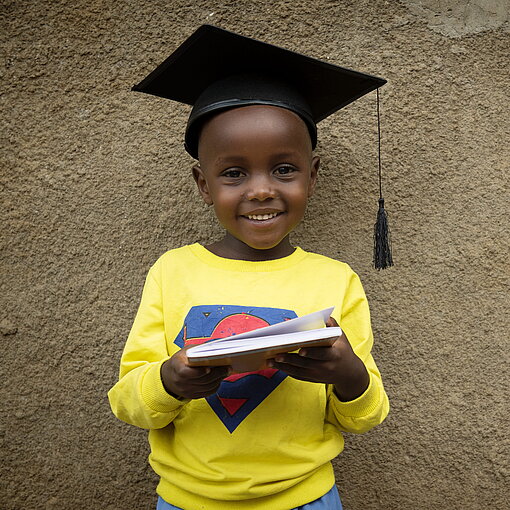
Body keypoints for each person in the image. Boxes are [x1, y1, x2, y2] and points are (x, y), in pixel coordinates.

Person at [108, 25, 390, 510]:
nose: (261, 190)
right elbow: (128, 402)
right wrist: (169, 382)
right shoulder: (173, 271)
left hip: (306, 498)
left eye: (283, 169)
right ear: (203, 183)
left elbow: (363, 417)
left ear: (312, 174)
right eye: (234, 173)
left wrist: (350, 376)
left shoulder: (335, 280)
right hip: (187, 500)